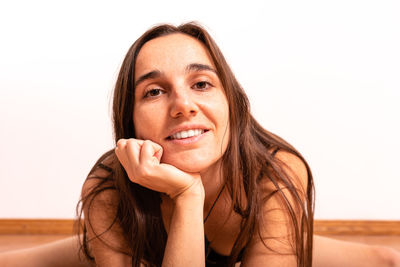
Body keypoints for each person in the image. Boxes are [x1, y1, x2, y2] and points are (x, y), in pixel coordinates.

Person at [1, 22, 399, 267]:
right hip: (148, 251)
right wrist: (188, 196)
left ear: (232, 102)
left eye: (202, 84)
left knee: (388, 259)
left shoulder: (275, 173)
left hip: (251, 242)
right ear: (131, 120)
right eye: (155, 92)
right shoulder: (108, 185)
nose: (183, 106)